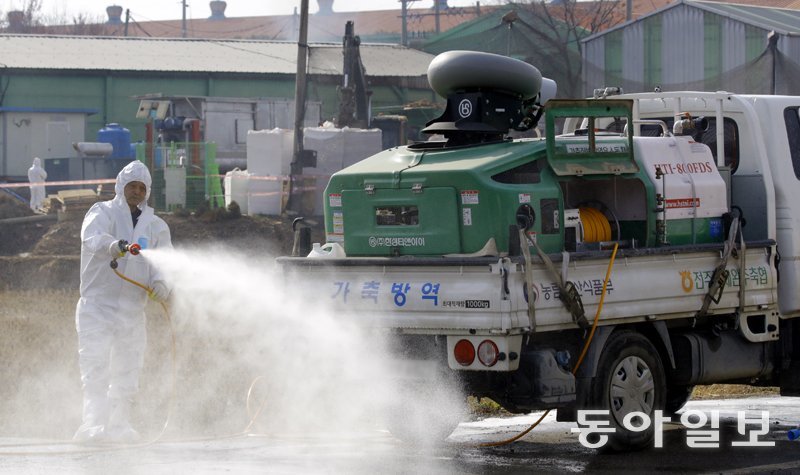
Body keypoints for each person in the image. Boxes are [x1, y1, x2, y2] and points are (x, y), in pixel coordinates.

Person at [73, 160, 172, 443]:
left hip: (132, 310)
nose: (137, 192)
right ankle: (92, 425)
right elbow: (91, 238)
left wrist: (161, 283)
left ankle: (120, 424)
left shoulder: (156, 226)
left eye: (142, 188)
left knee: (128, 367)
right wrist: (112, 246)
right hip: (97, 306)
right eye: (132, 186)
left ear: (148, 191)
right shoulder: (101, 213)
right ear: (121, 187)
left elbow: (163, 262)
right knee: (95, 365)